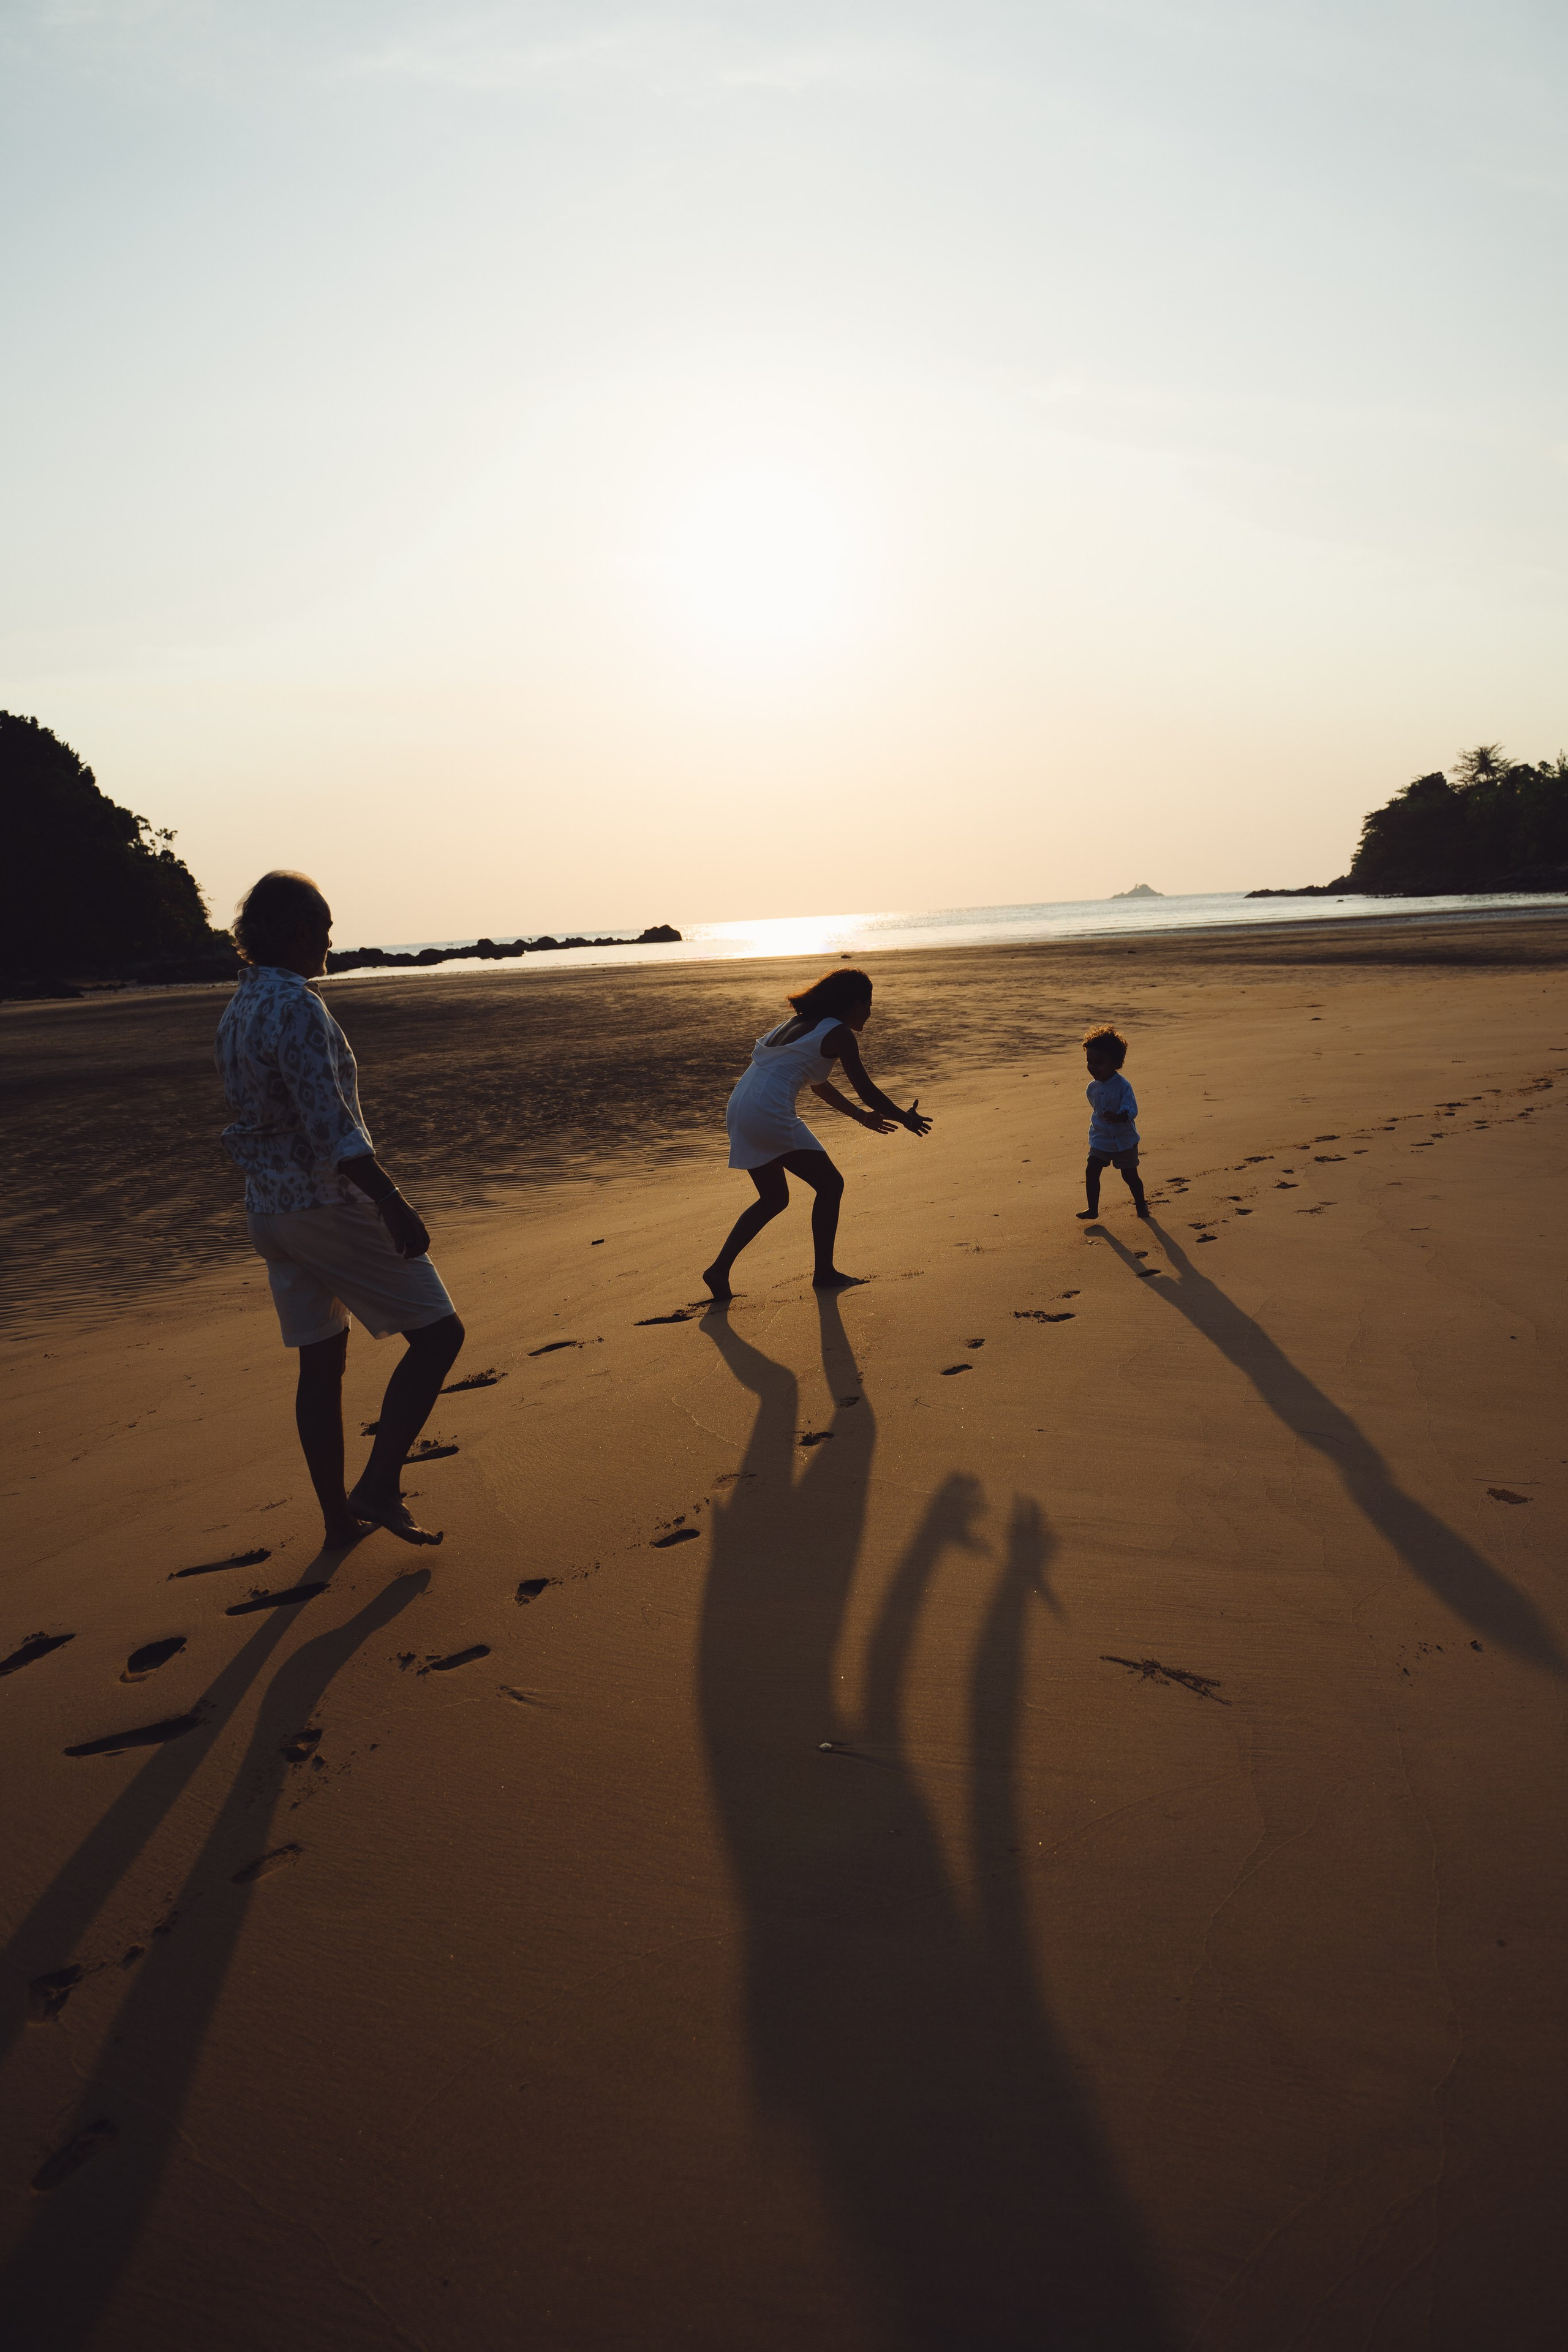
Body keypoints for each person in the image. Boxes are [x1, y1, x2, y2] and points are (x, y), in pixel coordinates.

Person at [215, 870, 465, 1547]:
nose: (330, 941)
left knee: (320, 1366)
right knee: (439, 1335)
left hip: (269, 1209)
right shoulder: (297, 1006)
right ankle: (378, 1487)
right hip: (325, 1203)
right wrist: (392, 1201)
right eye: (325, 930)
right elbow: (330, 1126)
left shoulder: (240, 1004)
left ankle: (336, 1521)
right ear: (301, 933)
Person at [703, 966, 931, 1300]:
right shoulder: (839, 1033)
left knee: (774, 1199)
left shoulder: (796, 1023)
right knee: (830, 1184)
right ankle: (824, 1273)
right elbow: (866, 1090)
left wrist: (860, 1117)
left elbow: (818, 1084)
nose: (870, 1012)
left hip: (741, 1107)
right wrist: (905, 1118)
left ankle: (718, 1270)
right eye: (869, 1004)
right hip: (768, 1111)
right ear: (856, 1003)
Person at [1076, 1023, 1148, 1222]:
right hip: (1100, 1139)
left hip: (1124, 1141)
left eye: (1099, 1062)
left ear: (1115, 1063)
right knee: (1092, 1169)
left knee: (1130, 1176)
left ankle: (1141, 1204)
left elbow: (1131, 1109)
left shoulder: (1123, 1086)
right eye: (1089, 1061)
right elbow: (1096, 1110)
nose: (1093, 1067)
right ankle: (1093, 1209)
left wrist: (1118, 1117)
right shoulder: (1092, 1088)